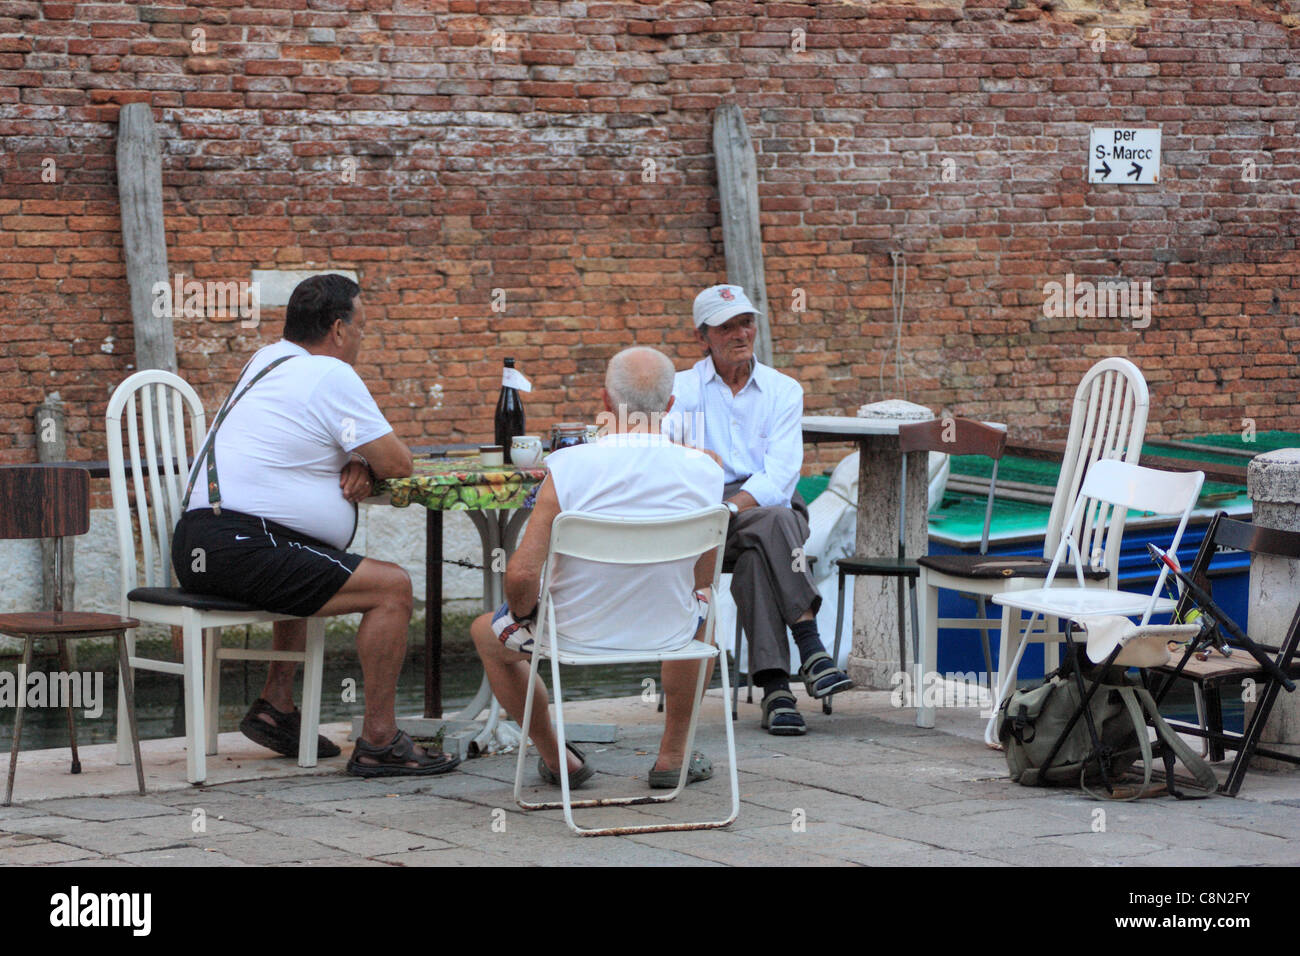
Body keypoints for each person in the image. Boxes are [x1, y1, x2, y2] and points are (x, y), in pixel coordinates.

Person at [172, 273, 459, 778]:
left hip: (202, 544)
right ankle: (379, 742)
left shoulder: (266, 361)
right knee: (393, 588)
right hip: (241, 545)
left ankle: (276, 706)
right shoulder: (331, 374)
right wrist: (369, 465)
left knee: (305, 554)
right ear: (339, 330)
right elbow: (398, 463)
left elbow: (296, 441)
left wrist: (354, 460)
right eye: (363, 327)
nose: (364, 338)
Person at [470, 347, 725, 788]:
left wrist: (525, 612)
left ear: (605, 402)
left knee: (483, 633)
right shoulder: (705, 470)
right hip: (671, 630)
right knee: (707, 609)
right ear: (669, 406)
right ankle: (671, 756)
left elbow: (522, 576)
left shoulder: (567, 467)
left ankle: (557, 759)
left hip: (571, 634)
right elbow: (703, 578)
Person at [664, 283, 852, 736]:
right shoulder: (683, 389)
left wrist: (733, 507)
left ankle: (776, 690)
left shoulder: (784, 390)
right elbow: (669, 454)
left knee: (766, 535)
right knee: (772, 529)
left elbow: (781, 477)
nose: (739, 333)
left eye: (745, 322)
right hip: (706, 514)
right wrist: (719, 507)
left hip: (768, 509)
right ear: (701, 336)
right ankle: (810, 651)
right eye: (725, 326)